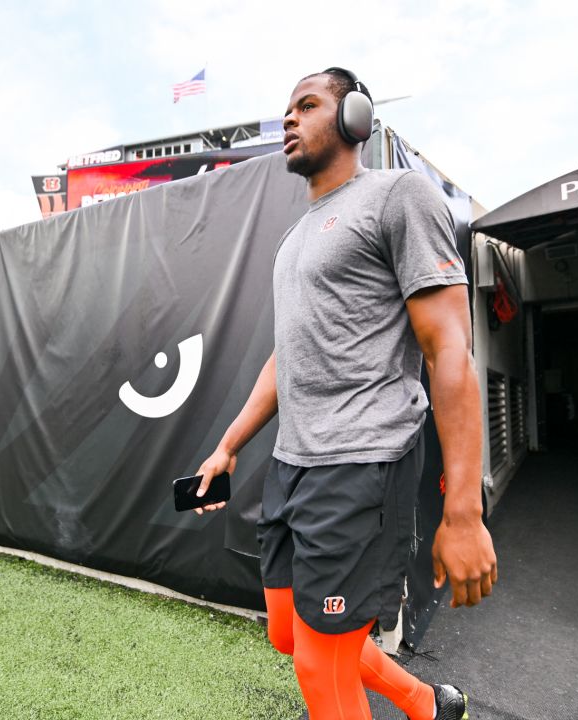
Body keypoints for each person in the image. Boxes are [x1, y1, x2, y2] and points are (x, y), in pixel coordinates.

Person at [192, 68, 497, 720]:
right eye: (286, 110)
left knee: (319, 662)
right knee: (287, 633)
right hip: (293, 467)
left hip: (360, 462)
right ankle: (425, 704)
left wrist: (465, 511)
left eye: (307, 105)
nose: (289, 119)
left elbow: (449, 347)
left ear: (355, 116)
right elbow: (287, 358)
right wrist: (226, 447)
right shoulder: (292, 243)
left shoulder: (398, 197)